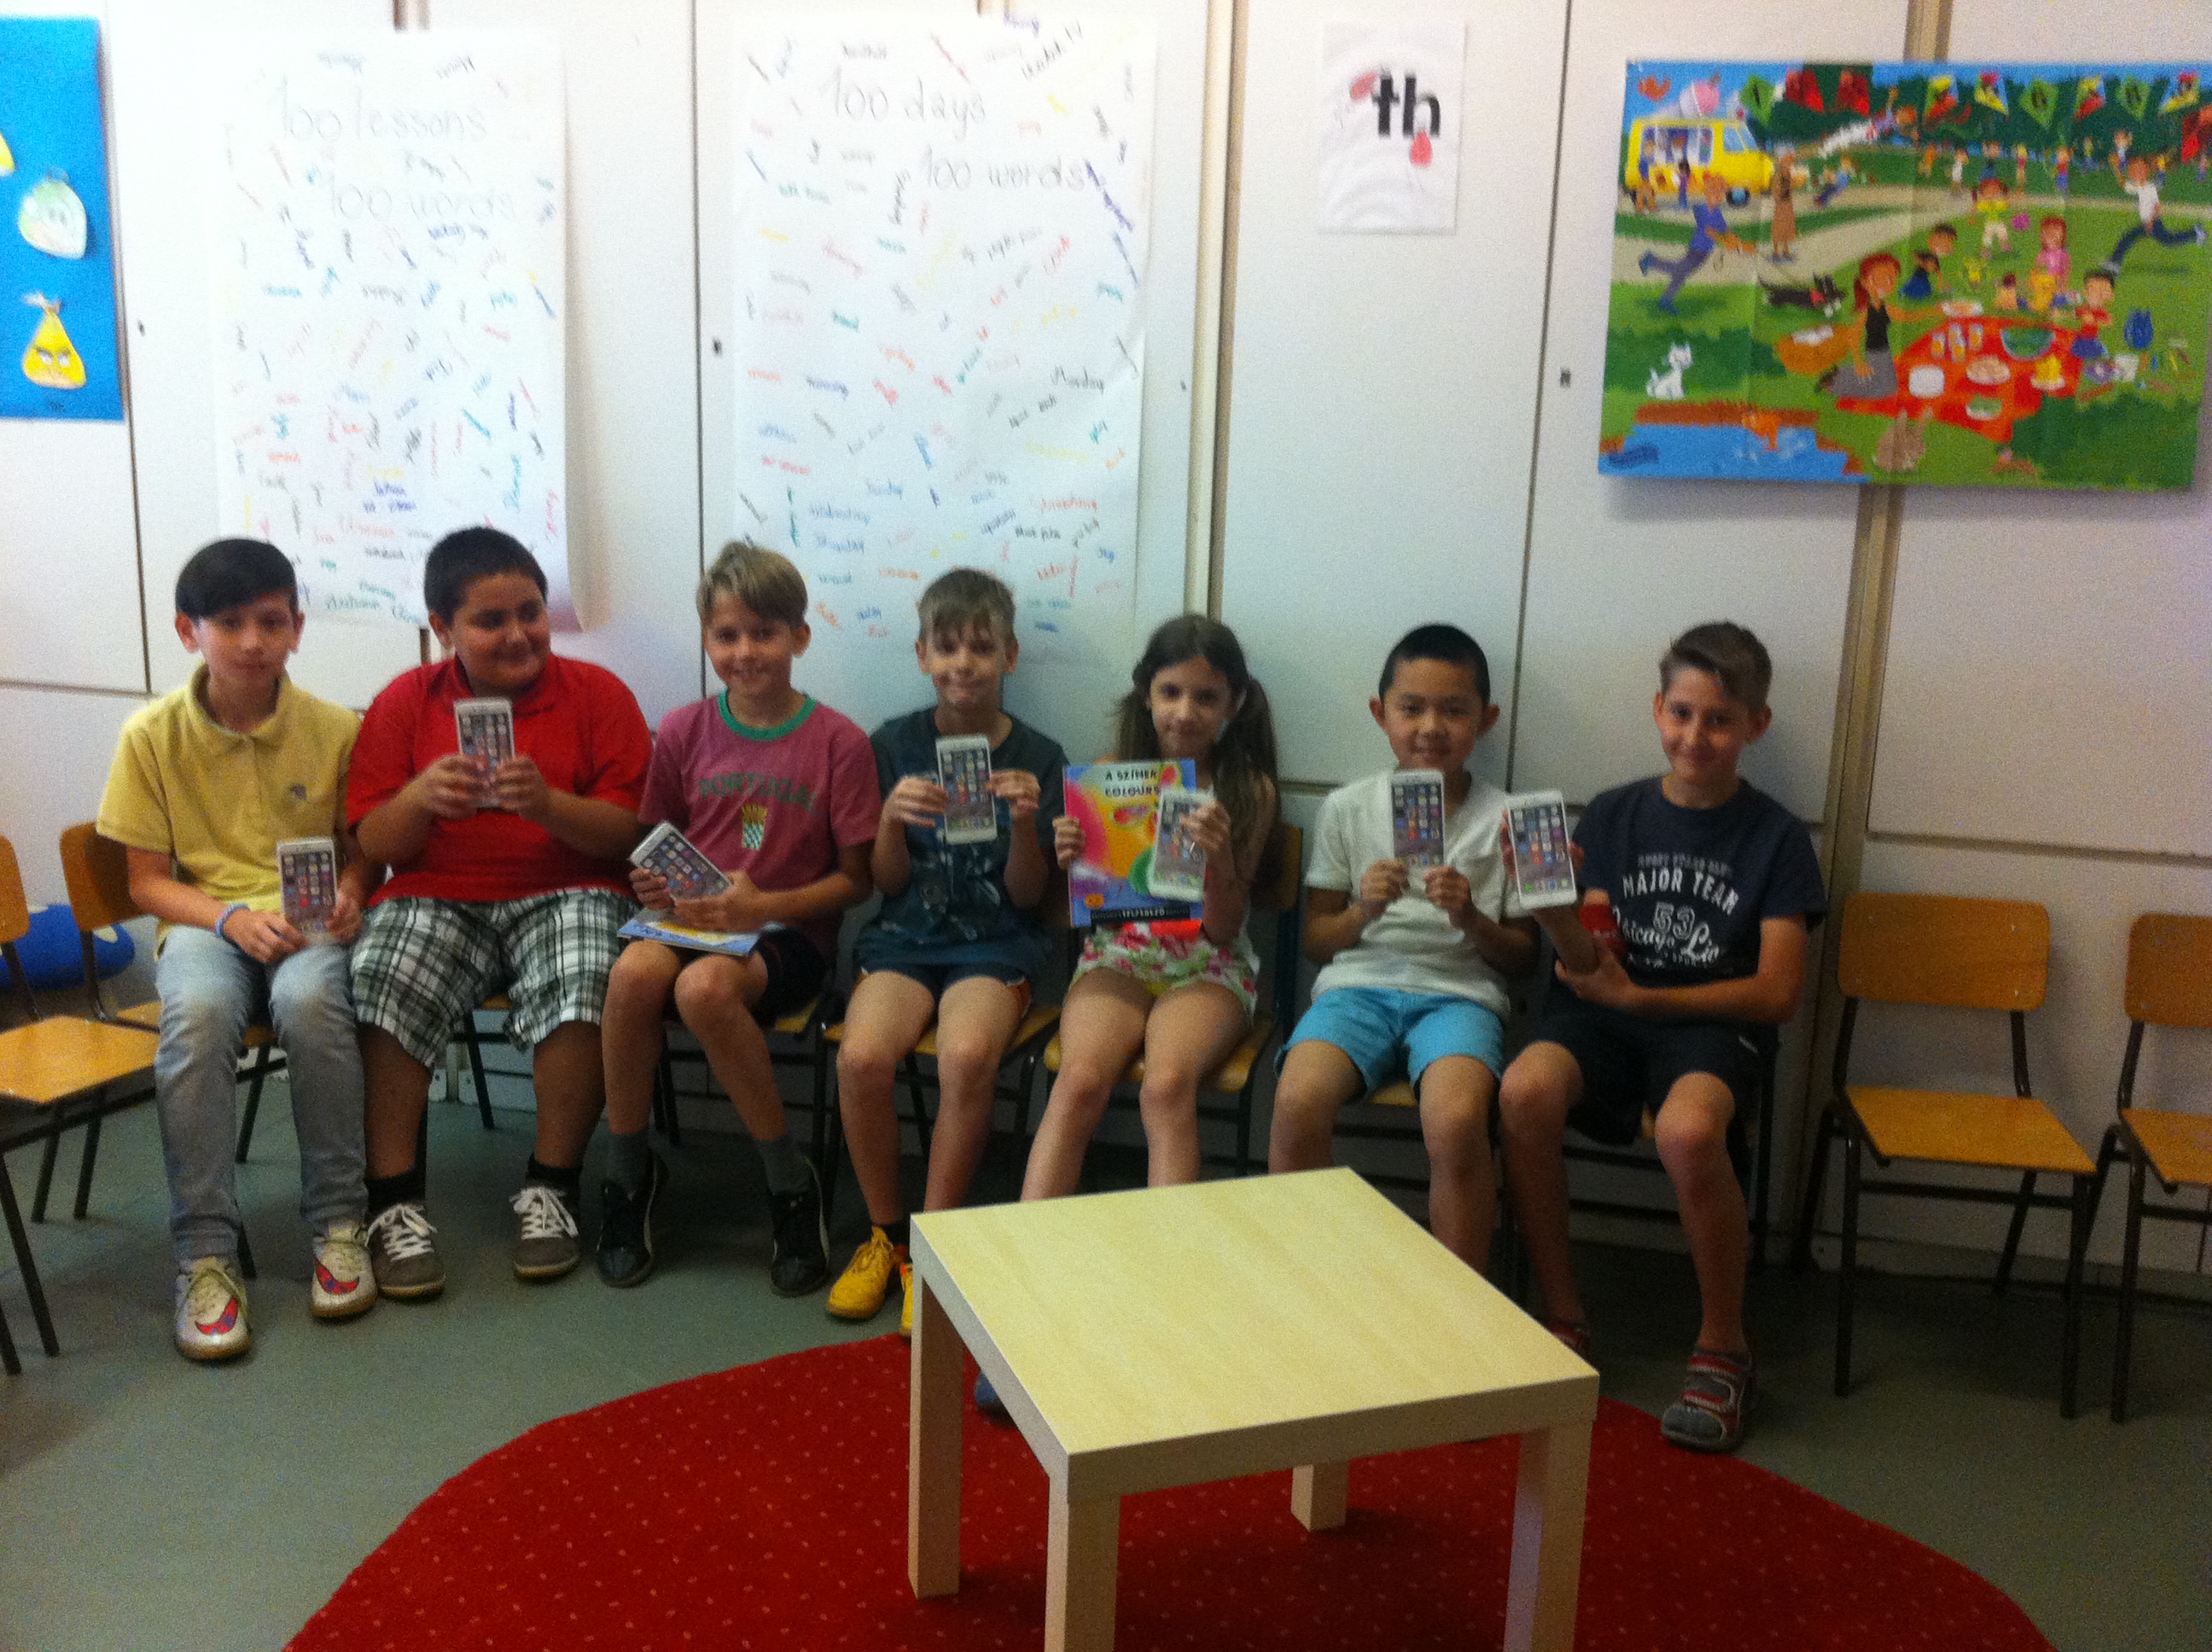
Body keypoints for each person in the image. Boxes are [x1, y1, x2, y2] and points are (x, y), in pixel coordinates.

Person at [1498, 623, 1825, 1455]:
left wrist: (1645, 998)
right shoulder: (1613, 812)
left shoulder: (1779, 838)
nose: (1695, 736)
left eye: (1720, 720)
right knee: (1523, 1091)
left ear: (1756, 725)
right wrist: (1553, 914)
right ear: (1657, 708)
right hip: (1603, 1017)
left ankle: (1724, 1347)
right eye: (1682, 713)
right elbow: (1589, 961)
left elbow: (1779, 992)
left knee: (1687, 1132)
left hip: (1710, 1028)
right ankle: (1562, 1317)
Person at [349, 528, 653, 1298]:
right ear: (442, 627)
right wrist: (419, 799)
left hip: (573, 885)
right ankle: (392, 1202)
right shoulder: (404, 701)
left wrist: (549, 806)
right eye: (491, 620)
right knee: (382, 971)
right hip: (437, 892)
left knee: (589, 968)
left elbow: (630, 835)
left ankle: (553, 1184)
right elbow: (374, 842)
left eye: (531, 612)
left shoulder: (600, 695)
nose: (519, 633)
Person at [96, 538, 378, 1360]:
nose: (253, 641)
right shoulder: (150, 735)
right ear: (189, 631)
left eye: (272, 621)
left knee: (312, 1001)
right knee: (198, 1017)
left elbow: (362, 852)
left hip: (308, 925)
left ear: (298, 628)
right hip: (204, 923)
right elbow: (147, 882)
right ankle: (205, 1254)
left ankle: (339, 1224)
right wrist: (228, 920)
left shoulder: (337, 728)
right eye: (229, 623)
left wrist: (355, 890)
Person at [596, 542, 876, 1294]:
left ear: (800, 637)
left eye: (764, 633)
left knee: (705, 990)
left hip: (788, 934)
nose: (745, 651)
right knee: (630, 978)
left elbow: (857, 881)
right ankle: (628, 1174)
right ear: (707, 641)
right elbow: (653, 843)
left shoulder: (839, 741)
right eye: (727, 635)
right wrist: (652, 884)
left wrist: (763, 907)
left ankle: (788, 1181)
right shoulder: (684, 729)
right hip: (689, 923)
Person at [824, 570, 1066, 1330]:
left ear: (1010, 657)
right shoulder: (893, 744)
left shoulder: (1040, 755)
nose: (964, 663)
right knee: (861, 1058)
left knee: (966, 1057)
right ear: (923, 654)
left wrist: (1024, 825)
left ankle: (936, 1249)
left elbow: (1030, 898)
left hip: (998, 943)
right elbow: (885, 883)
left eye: (982, 648)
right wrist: (890, 822)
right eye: (949, 647)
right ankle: (886, 1237)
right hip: (906, 938)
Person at [1266, 625, 1535, 1275]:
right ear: (1380, 712)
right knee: (1297, 1102)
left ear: (1487, 719)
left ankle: (1460, 1296)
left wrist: (1471, 917)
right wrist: (1364, 910)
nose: (1431, 727)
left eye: (1455, 710)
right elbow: (1315, 942)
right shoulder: (1347, 807)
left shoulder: (1511, 818)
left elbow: (1524, 961)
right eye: (1411, 708)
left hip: (1461, 997)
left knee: (1456, 1120)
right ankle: (1305, 1276)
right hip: (1356, 988)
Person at [1022, 616, 1279, 1202]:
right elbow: (1084, 905)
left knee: (1165, 1087)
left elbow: (1224, 929)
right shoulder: (1111, 775)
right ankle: (1028, 1238)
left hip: (1208, 966)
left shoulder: (1247, 789)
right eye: (1171, 692)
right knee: (1078, 1080)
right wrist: (1072, 857)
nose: (1185, 712)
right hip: (1119, 956)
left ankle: (1169, 1250)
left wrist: (1217, 857)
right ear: (1146, 693)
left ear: (1234, 703)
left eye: (1206, 697)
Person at [1636, 169, 1754, 314]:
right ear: (1706, 191)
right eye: (1714, 191)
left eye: (1721, 192)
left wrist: (1737, 243)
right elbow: (1711, 232)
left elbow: (1726, 230)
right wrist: (1729, 243)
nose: (1718, 196)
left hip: (1705, 251)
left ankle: (1665, 300)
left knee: (1680, 274)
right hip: (1698, 249)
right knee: (1679, 270)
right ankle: (1650, 261)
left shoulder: (1716, 211)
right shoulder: (1701, 208)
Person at [2103, 154, 2206, 273]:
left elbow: (2157, 206)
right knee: (2137, 238)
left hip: (2153, 222)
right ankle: (2114, 262)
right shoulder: (2139, 186)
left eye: (2138, 170)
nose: (2134, 173)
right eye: (2133, 170)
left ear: (2147, 171)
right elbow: (2124, 184)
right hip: (2148, 222)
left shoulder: (2150, 188)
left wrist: (2151, 222)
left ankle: (2196, 234)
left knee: (2167, 241)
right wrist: (2116, 168)